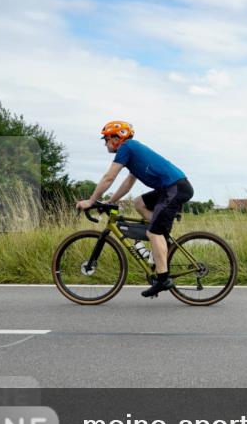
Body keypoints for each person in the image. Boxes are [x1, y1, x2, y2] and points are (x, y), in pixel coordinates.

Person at [76, 121, 193, 298]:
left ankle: (163, 279)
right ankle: (162, 238)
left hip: (175, 189)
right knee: (139, 203)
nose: (105, 144)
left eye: (106, 139)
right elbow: (127, 183)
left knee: (153, 232)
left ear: (116, 138)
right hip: (170, 189)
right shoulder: (132, 151)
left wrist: (91, 201)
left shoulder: (126, 147)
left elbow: (109, 177)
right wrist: (109, 202)